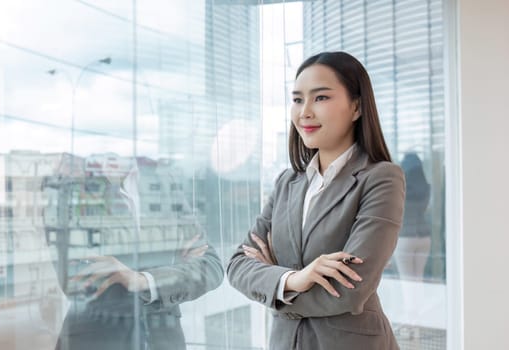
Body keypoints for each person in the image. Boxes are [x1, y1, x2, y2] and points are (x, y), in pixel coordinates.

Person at [227, 51, 405, 350]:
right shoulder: (287, 182)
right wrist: (295, 279)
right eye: (297, 99)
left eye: (320, 98)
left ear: (357, 107)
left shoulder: (381, 178)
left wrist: (274, 286)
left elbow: (351, 288)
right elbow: (237, 265)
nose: (304, 112)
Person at [54, 159, 224, 350]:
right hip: (97, 338)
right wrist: (172, 264)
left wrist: (144, 280)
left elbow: (211, 266)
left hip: (162, 339)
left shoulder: (162, 180)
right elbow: (74, 280)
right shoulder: (75, 180)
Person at [394, 151, 431, 281]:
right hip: (424, 237)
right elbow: (424, 209)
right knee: (418, 279)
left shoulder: (400, 187)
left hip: (405, 237)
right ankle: (418, 302)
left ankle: (412, 303)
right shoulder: (426, 187)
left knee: (407, 282)